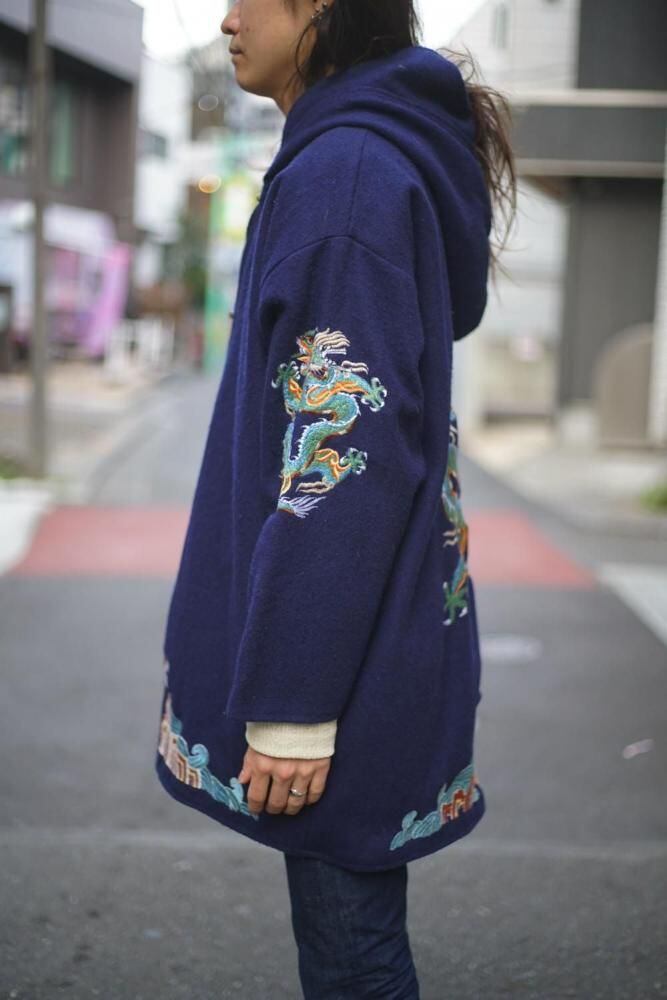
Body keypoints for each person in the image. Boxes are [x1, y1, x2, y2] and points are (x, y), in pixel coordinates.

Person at [154, 1, 517, 995]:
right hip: (384, 629)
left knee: (353, 958)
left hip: (342, 667)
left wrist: (293, 709)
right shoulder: (359, 160)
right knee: (351, 944)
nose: (225, 19)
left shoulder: (346, 178)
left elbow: (346, 465)